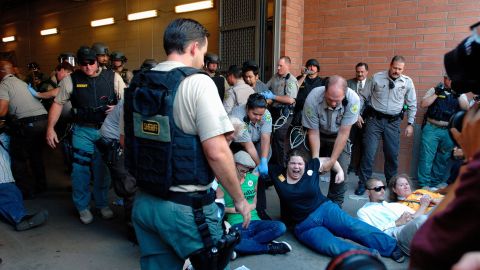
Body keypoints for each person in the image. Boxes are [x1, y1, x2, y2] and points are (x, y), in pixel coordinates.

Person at [125, 18, 250, 269]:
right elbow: (216, 152)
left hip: (144, 203)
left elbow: (126, 140)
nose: (203, 59)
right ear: (194, 47)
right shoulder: (198, 82)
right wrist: (239, 199)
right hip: (185, 209)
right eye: (204, 52)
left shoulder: (139, 83)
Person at [271, 149, 404, 262]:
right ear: (287, 164)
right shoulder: (277, 174)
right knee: (331, 246)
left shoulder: (312, 165)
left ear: (305, 164)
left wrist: (340, 171)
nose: (296, 167)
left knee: (352, 226)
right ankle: (369, 256)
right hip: (303, 225)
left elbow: (331, 160)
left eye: (300, 163)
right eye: (292, 163)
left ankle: (390, 247)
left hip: (324, 209)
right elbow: (255, 172)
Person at [46, 46, 125, 224]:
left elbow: (126, 100)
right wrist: (50, 128)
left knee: (102, 170)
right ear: (79, 64)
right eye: (83, 64)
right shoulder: (70, 80)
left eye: (91, 63)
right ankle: (82, 206)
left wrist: (118, 107)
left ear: (97, 61)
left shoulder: (113, 77)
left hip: (106, 131)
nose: (88, 67)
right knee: (80, 170)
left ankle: (102, 204)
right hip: (82, 130)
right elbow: (58, 104)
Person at [356, 55, 417, 195]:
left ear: (403, 69)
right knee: (368, 153)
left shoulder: (407, 82)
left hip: (393, 123)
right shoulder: (377, 77)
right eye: (395, 68)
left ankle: (391, 184)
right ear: (390, 65)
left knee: (392, 155)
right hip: (374, 120)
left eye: (400, 69)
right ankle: (363, 183)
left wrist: (410, 123)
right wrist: (357, 114)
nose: (397, 71)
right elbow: (362, 96)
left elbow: (412, 104)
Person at [216, 151, 291, 255]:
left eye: (247, 171)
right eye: (242, 171)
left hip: (256, 222)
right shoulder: (223, 185)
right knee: (236, 242)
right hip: (237, 225)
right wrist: (240, 209)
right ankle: (269, 247)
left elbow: (254, 205)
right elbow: (219, 209)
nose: (244, 174)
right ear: (233, 165)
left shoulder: (252, 179)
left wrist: (242, 208)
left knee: (280, 227)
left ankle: (243, 247)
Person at [302, 75, 360, 206]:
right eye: (329, 99)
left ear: (345, 94)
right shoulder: (313, 97)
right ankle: (308, 203)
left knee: (341, 171)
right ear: (324, 91)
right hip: (317, 133)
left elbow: (344, 133)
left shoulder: (353, 100)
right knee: (306, 166)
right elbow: (313, 131)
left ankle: (335, 206)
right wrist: (316, 159)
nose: (333, 104)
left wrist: (332, 161)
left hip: (338, 137)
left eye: (337, 100)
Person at [0, 60, 49, 199]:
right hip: (43, 120)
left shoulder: (4, 85)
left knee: (18, 157)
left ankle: (25, 191)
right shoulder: (21, 82)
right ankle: (41, 186)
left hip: (27, 124)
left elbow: (2, 111)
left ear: (2, 71)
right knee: (36, 155)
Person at [417, 75, 468, 190]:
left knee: (443, 158)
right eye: (448, 78)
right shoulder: (434, 89)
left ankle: (435, 184)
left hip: (449, 131)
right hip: (432, 128)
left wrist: (458, 93)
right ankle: (424, 184)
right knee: (426, 157)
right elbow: (423, 104)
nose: (450, 81)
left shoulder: (461, 92)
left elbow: (466, 108)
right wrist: (436, 93)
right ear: (444, 79)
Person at [357, 178, 428, 255]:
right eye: (378, 189)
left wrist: (425, 204)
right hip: (396, 237)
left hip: (411, 230)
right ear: (368, 192)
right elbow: (369, 234)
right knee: (423, 219)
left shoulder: (393, 205)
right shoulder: (363, 211)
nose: (383, 191)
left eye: (383, 188)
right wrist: (396, 223)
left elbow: (415, 217)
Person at [229, 93, 272, 220]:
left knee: (259, 176)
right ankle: (233, 206)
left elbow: (266, 137)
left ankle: (260, 209)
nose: (258, 117)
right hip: (238, 144)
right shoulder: (237, 116)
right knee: (241, 172)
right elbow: (248, 146)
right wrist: (259, 163)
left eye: (261, 115)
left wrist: (263, 160)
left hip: (257, 141)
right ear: (247, 108)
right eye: (255, 114)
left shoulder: (266, 114)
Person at [0, 130, 49, 231]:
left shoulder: (5, 137)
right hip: (3, 181)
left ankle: (17, 215)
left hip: (7, 179)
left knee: (14, 194)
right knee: (9, 192)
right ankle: (20, 218)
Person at [264, 56, 298, 167]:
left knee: (279, 140)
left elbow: (290, 99)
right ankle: (274, 166)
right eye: (277, 65)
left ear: (288, 66)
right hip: (274, 111)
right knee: (272, 139)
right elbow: (265, 87)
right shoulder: (275, 77)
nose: (278, 68)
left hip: (285, 113)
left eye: (280, 66)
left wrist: (273, 96)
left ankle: (282, 167)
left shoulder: (291, 80)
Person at [346, 62, 373, 178]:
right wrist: (356, 114)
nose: (360, 74)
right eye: (358, 71)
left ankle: (360, 169)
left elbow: (372, 101)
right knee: (348, 143)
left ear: (367, 72)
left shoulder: (372, 83)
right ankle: (347, 166)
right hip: (351, 118)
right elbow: (346, 100)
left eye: (362, 72)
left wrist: (362, 115)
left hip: (367, 119)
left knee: (364, 145)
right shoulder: (349, 83)